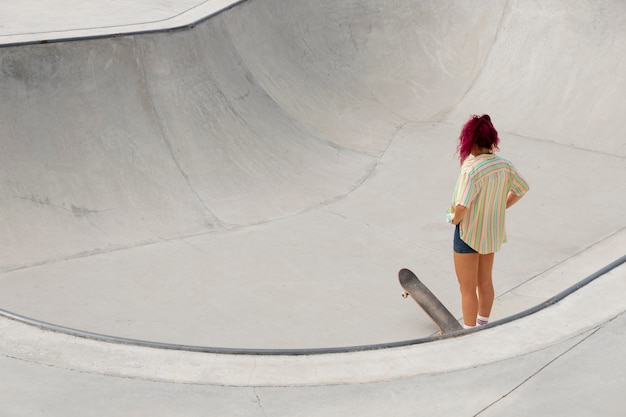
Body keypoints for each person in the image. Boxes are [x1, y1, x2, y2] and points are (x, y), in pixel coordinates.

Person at [447, 115, 529, 329]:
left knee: (467, 288)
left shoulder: (470, 169)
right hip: (490, 233)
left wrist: (455, 219)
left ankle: (469, 330)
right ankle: (483, 324)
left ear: (470, 141)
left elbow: (462, 206)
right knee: (485, 282)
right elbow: (522, 189)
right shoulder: (504, 165)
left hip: (468, 233)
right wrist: (499, 207)